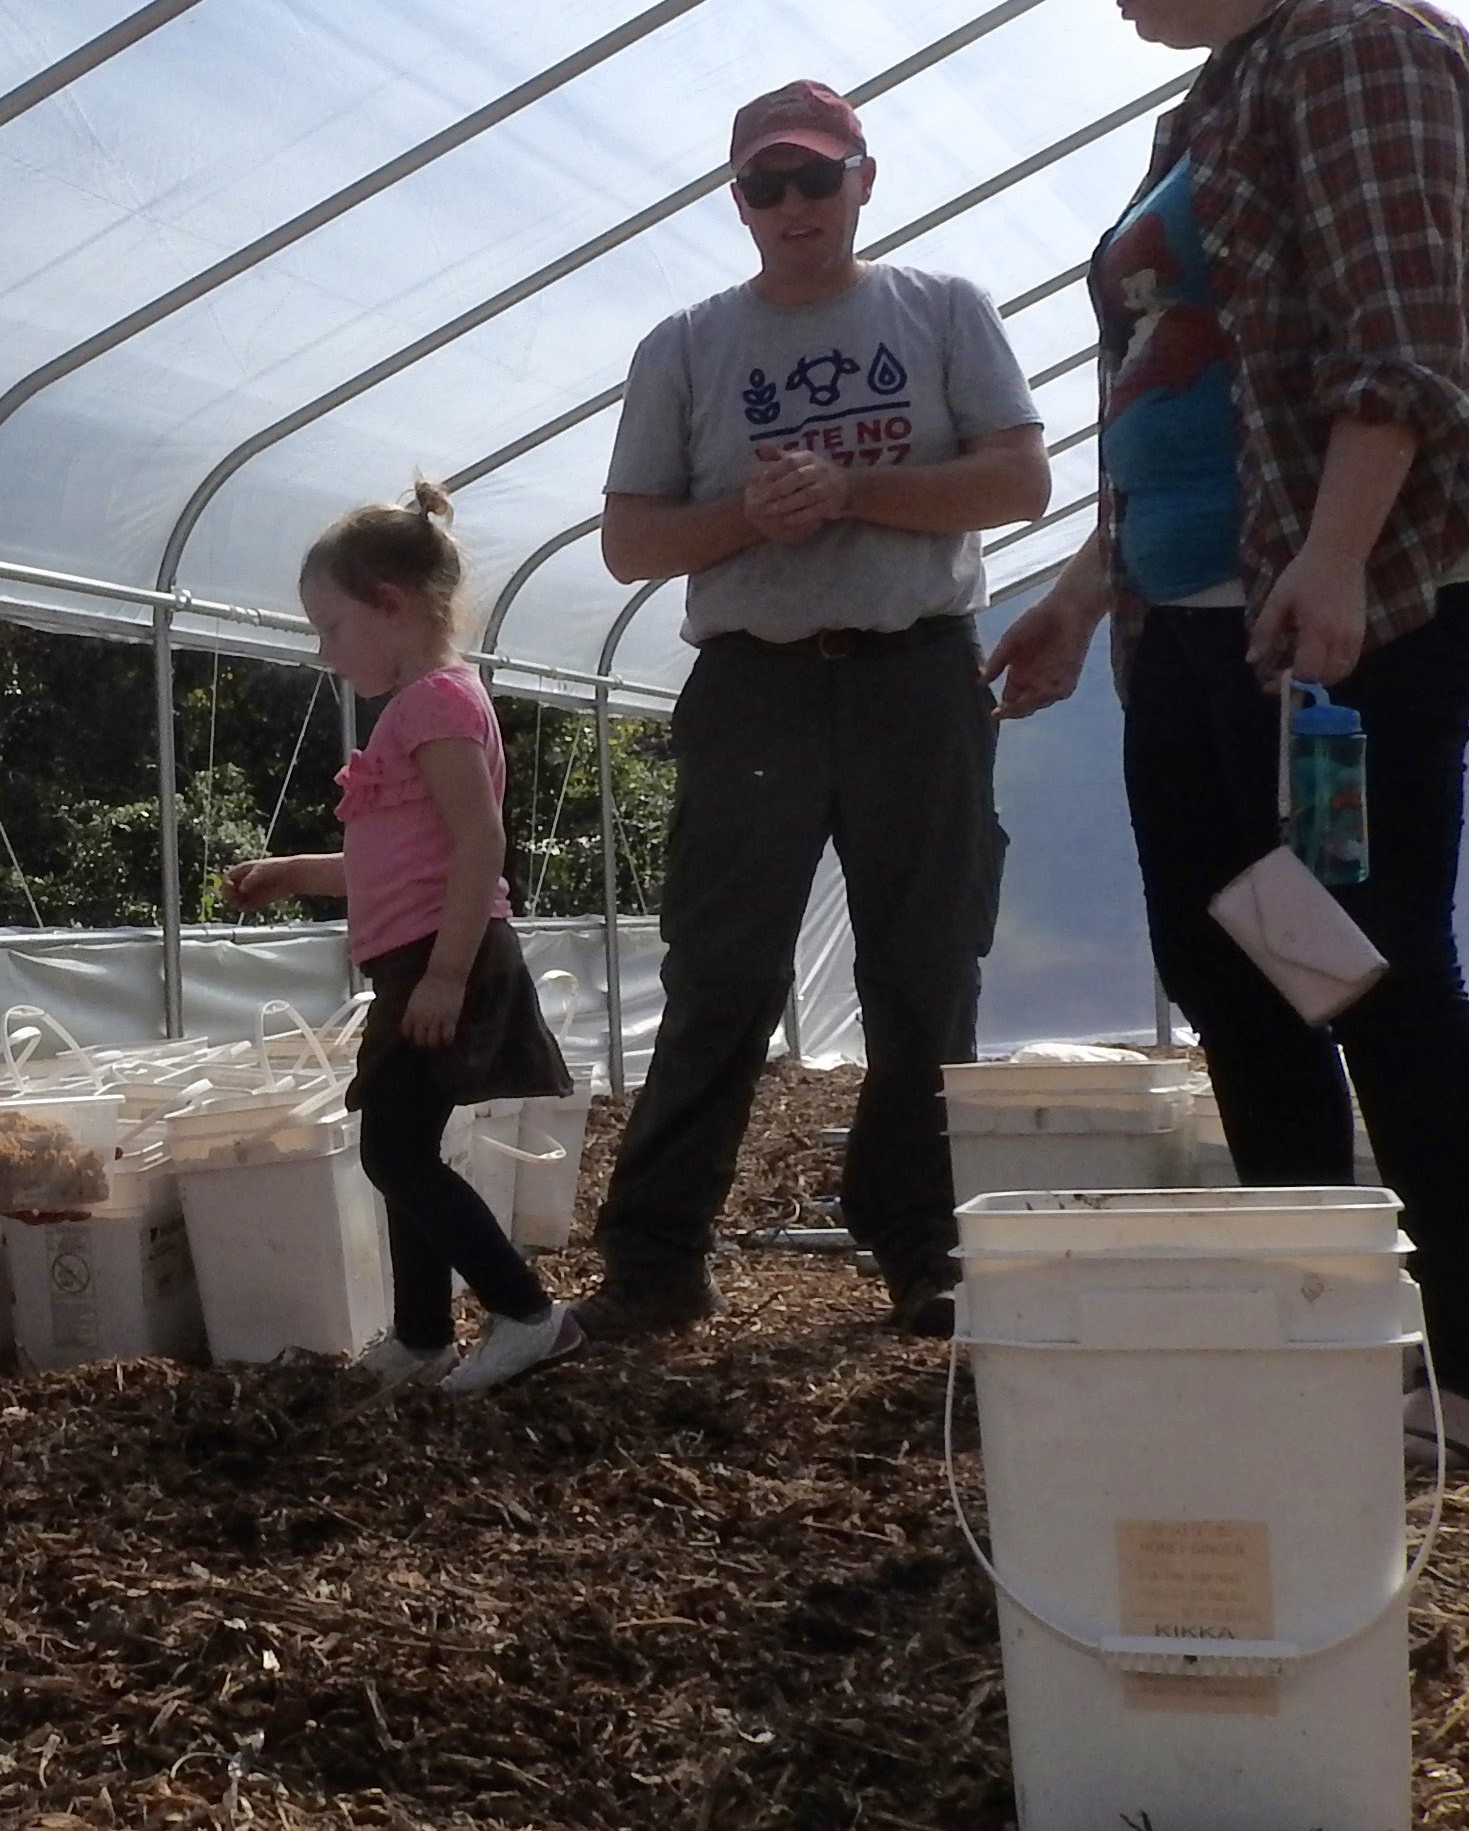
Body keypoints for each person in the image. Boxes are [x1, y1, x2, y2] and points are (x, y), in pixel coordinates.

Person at [982, 0, 1469, 1468]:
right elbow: (1175, 399)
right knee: (1229, 961)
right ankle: (1317, 1330)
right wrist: (1084, 591)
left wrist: (1334, 553)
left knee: (1362, 962)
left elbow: (1407, 328)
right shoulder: (1209, 104)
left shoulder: (1358, 43)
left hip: (1342, 601)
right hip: (1196, 609)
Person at [585, 80, 1048, 1340]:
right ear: (738, 202)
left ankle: (922, 1247)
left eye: (816, 178)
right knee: (720, 972)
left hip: (917, 673)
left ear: (863, 181)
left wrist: (851, 491)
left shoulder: (943, 309)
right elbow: (630, 543)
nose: (793, 204)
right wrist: (749, 517)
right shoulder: (686, 344)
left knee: (927, 970)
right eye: (767, 185)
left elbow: (1019, 481)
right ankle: (654, 1256)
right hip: (757, 687)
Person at [219, 485, 581, 1393]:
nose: (324, 651)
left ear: (391, 604)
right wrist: (293, 872)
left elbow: (481, 843)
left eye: (331, 627)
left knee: (396, 1152)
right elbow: (395, 864)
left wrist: (446, 977)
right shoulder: (427, 705)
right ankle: (421, 1338)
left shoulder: (433, 705)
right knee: (399, 1150)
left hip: (442, 961)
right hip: (421, 961)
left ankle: (528, 1316)